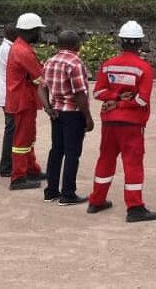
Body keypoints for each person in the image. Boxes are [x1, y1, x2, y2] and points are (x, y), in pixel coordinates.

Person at [87, 21, 156, 222]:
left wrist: (114, 99)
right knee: (132, 164)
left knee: (105, 159)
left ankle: (96, 201)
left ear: (121, 42)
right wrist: (121, 101)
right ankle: (134, 207)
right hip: (132, 124)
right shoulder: (144, 68)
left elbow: (98, 93)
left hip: (109, 122)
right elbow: (142, 100)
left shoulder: (108, 65)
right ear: (140, 43)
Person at [39, 31, 94, 205]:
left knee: (56, 151)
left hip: (56, 112)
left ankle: (51, 191)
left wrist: (48, 108)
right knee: (72, 154)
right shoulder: (75, 63)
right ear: (76, 45)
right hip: (73, 113)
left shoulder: (50, 61)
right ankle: (68, 194)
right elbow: (79, 94)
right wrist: (88, 117)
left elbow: (41, 87)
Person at [5, 13, 49, 190]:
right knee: (22, 139)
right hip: (23, 100)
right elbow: (39, 77)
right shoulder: (23, 51)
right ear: (31, 31)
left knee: (28, 137)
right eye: (38, 30)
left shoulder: (20, 47)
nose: (40, 34)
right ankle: (18, 177)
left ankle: (31, 169)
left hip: (23, 99)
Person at [0, 26, 17, 178]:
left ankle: (9, 164)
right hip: (9, 95)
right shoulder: (9, 49)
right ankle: (6, 166)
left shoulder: (7, 47)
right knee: (12, 130)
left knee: (11, 129)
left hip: (7, 94)